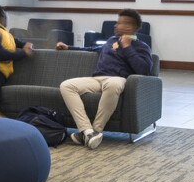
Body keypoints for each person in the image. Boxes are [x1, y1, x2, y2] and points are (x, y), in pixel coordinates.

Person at [52, 9, 153, 149]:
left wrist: (128, 47)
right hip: (97, 79)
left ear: (131, 27)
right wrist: (68, 47)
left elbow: (144, 69)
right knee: (66, 85)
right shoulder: (111, 41)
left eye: (120, 23)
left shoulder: (142, 47)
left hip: (118, 79)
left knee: (113, 84)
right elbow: (92, 49)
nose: (115, 25)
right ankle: (87, 131)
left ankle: (96, 130)